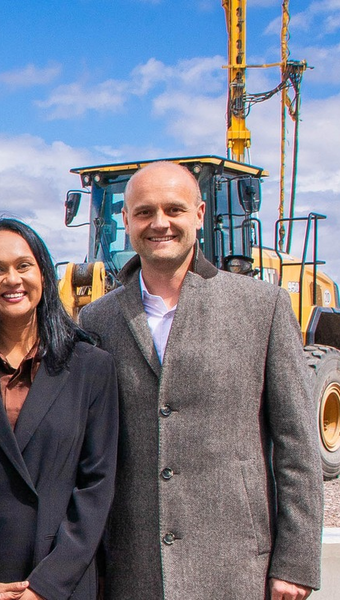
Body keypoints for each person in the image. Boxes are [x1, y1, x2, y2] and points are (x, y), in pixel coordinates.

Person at [78, 161, 323, 600]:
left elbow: (296, 444)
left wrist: (296, 563)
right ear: (128, 222)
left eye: (174, 209)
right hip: (133, 566)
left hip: (236, 563)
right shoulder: (99, 318)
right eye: (144, 212)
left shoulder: (259, 306)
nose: (160, 223)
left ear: (200, 214)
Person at [0, 219, 119, 600]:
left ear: (44, 274)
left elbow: (96, 485)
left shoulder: (91, 367)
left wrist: (46, 586)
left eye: (23, 265)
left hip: (61, 582)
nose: (12, 279)